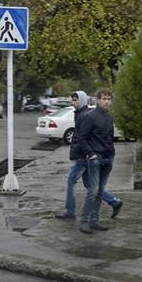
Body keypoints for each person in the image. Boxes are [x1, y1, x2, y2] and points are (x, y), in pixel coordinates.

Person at [57, 91, 123, 220]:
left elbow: (82, 139)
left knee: (72, 181)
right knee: (91, 187)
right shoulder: (81, 114)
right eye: (72, 100)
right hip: (89, 156)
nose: (73, 103)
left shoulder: (84, 115)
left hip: (84, 157)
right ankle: (114, 202)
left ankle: (71, 211)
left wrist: (90, 154)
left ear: (82, 100)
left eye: (76, 100)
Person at [78, 89, 116, 234]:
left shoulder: (109, 117)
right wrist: (91, 154)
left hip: (108, 158)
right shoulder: (90, 116)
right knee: (93, 191)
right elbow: (82, 138)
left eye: (109, 99)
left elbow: (110, 136)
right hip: (95, 158)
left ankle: (94, 220)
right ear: (98, 100)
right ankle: (84, 221)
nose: (107, 101)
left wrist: (112, 154)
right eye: (104, 98)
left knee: (100, 190)